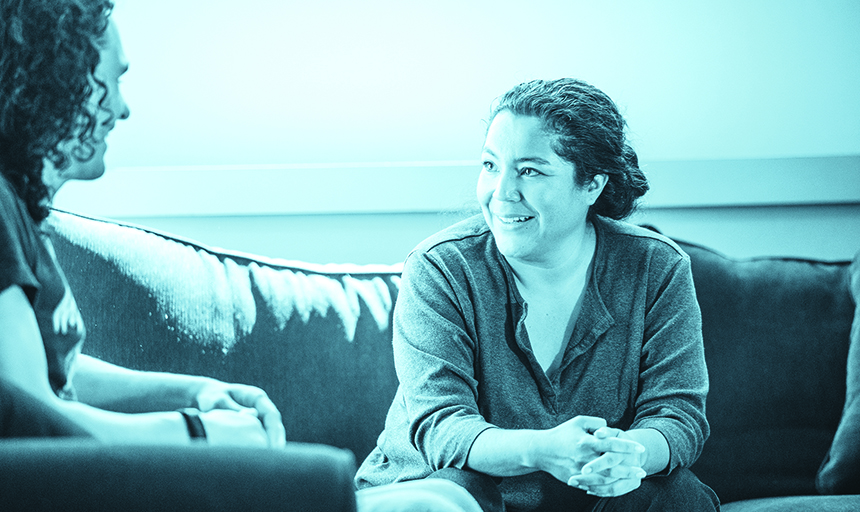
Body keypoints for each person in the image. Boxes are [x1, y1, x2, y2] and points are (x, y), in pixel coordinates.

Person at [355, 78, 721, 511]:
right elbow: (441, 427)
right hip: (441, 487)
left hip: (587, 499)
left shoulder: (655, 267)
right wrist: (542, 450)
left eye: (529, 170)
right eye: (491, 166)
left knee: (675, 494)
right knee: (461, 486)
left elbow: (677, 414)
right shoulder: (441, 268)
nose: (502, 192)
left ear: (592, 184)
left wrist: (630, 455)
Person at [0, 0, 285, 447]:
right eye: (111, 82)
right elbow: (31, 416)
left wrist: (195, 392)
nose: (123, 108)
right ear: (57, 82)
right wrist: (198, 434)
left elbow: (60, 373)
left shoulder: (18, 209)